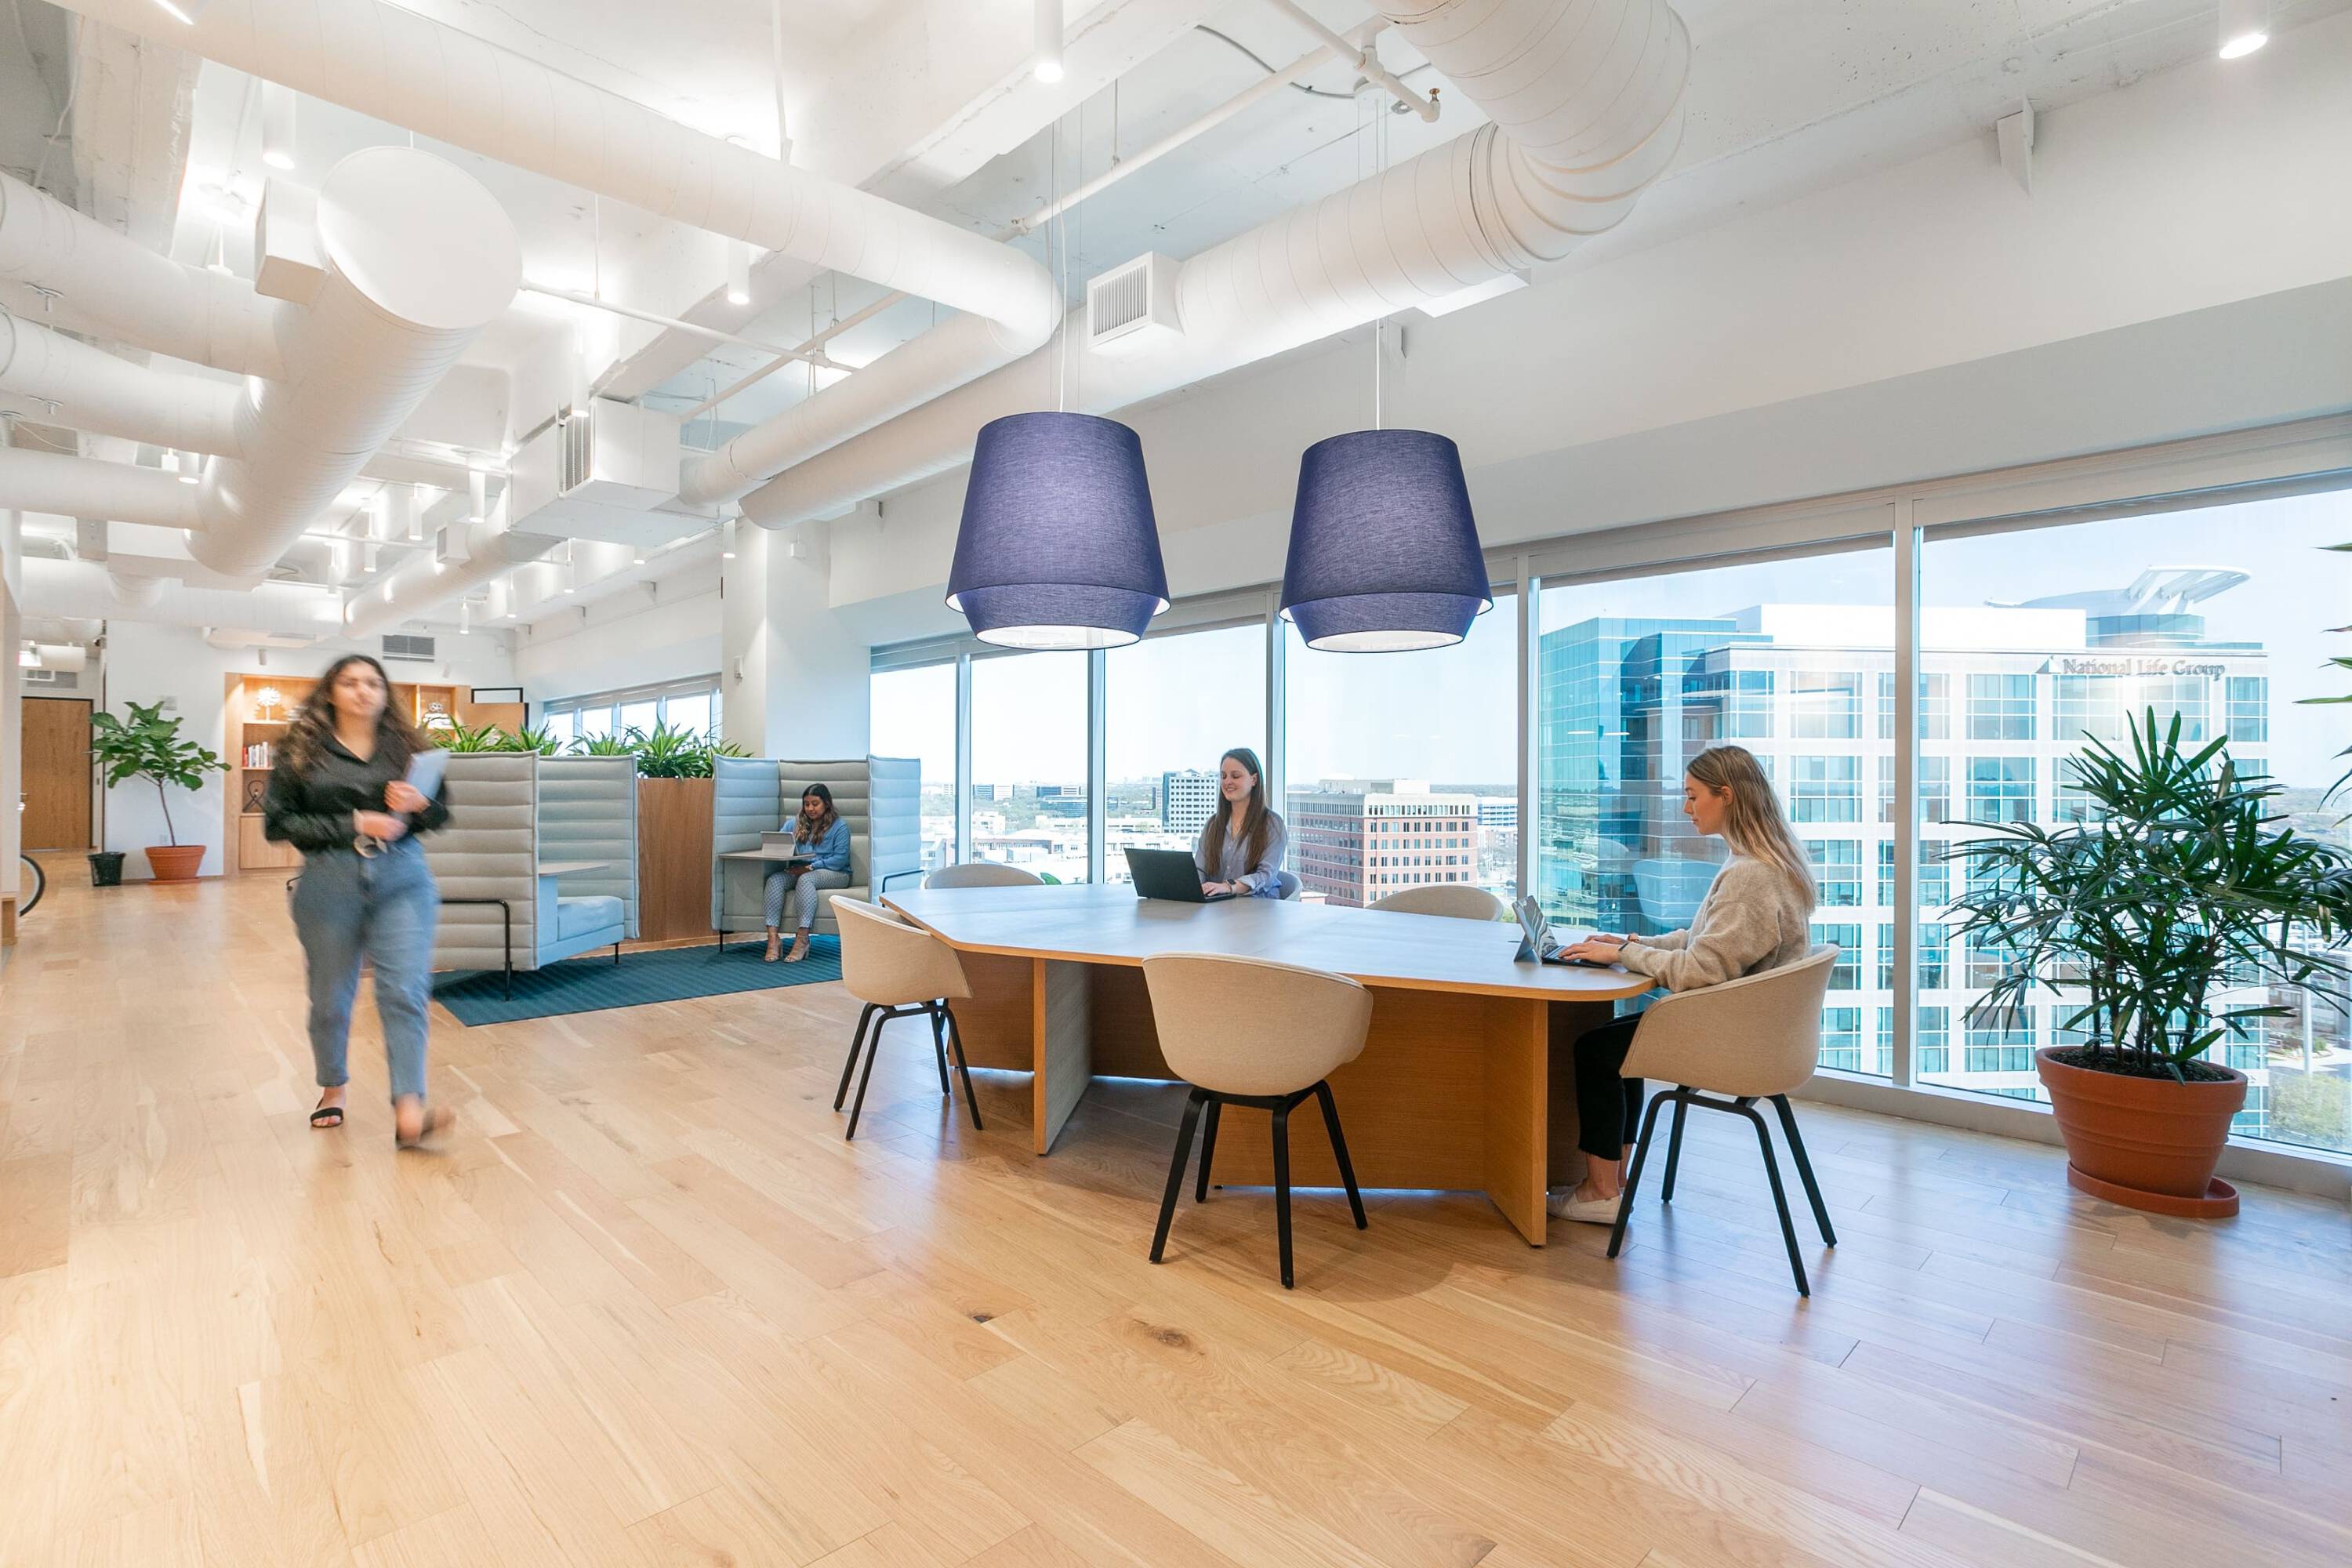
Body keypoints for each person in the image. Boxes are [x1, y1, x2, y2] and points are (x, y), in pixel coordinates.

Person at [1547, 744, 1817, 1224]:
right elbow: (1702, 942)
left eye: (1693, 796)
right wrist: (1630, 943)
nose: (1686, 808)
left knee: (1597, 1050)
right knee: (1616, 1044)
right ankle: (1613, 1185)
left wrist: (1623, 955)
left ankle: (1600, 1191)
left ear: (1726, 796)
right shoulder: (1761, 862)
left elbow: (1701, 969)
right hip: (1755, 1029)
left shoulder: (1751, 876)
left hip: (1737, 1039)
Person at [263, 654, 454, 1149]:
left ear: (386, 693)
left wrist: (420, 804)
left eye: (373, 683)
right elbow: (278, 825)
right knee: (331, 999)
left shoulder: (408, 747)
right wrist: (355, 822)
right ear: (331, 691)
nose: (363, 691)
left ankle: (409, 1110)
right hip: (329, 882)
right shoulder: (301, 750)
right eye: (350, 683)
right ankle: (333, 1087)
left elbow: (440, 815)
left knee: (405, 991)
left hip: (403, 879)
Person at [766, 782, 850, 962]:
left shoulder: (839, 826)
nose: (810, 808)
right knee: (775, 880)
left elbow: (840, 860)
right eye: (807, 804)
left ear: (826, 803)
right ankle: (773, 940)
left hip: (834, 872)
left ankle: (802, 939)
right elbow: (779, 842)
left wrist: (810, 868)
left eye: (815, 804)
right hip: (801, 869)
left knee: (806, 879)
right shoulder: (795, 823)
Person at [1193, 746, 1287, 898]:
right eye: (1223, 776)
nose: (1227, 782)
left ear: (1254, 780)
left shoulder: (1272, 824)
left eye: (1235, 776)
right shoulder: (1213, 824)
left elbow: (1266, 875)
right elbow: (1200, 869)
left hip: (1258, 906)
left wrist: (1229, 887)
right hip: (1218, 906)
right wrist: (1193, 887)